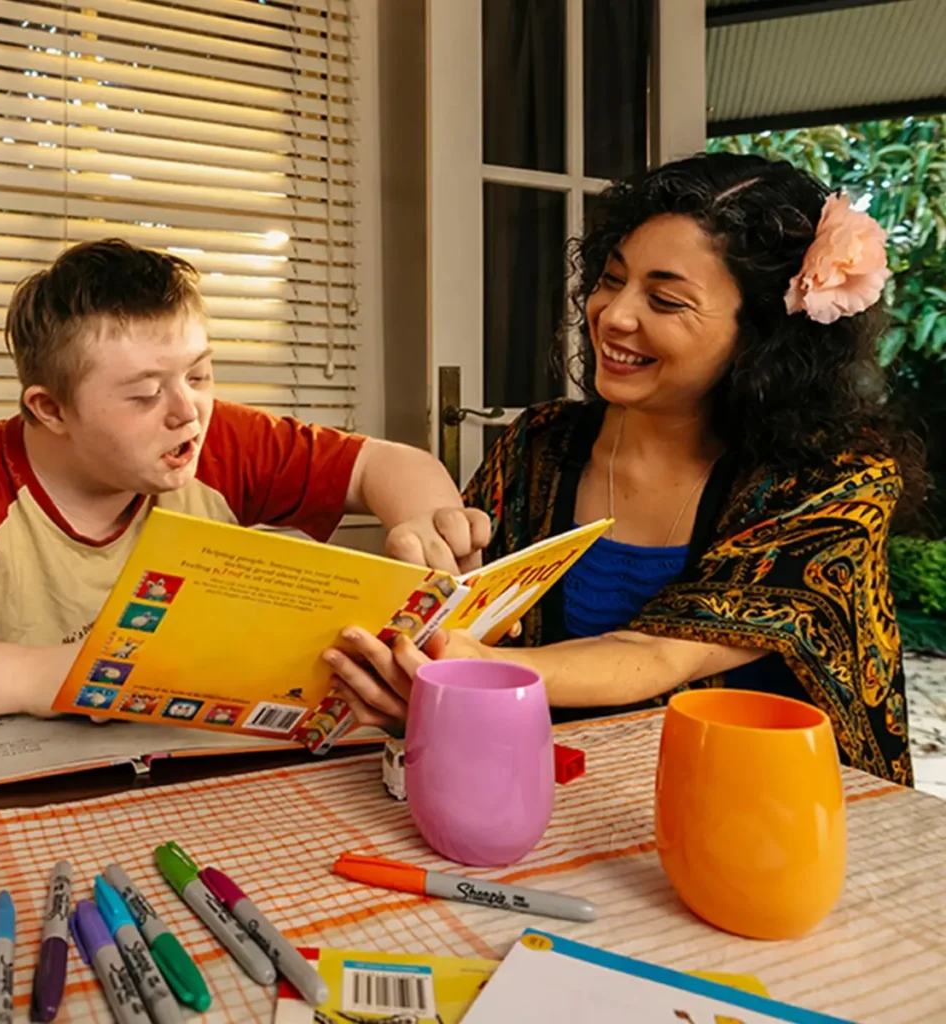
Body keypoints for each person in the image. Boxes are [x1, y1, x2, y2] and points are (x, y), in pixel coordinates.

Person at [327, 152, 925, 785]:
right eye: (612, 279)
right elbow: (473, 621)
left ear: (762, 335)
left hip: (759, 815)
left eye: (665, 300)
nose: (613, 315)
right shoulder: (540, 444)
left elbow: (661, 651)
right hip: (558, 806)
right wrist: (420, 658)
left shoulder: (836, 478)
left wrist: (469, 671)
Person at [0, 239, 488, 729]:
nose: (187, 413)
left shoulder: (212, 441)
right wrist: (57, 675)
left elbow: (389, 465)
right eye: (144, 394)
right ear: (50, 409)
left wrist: (424, 520)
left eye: (199, 375)